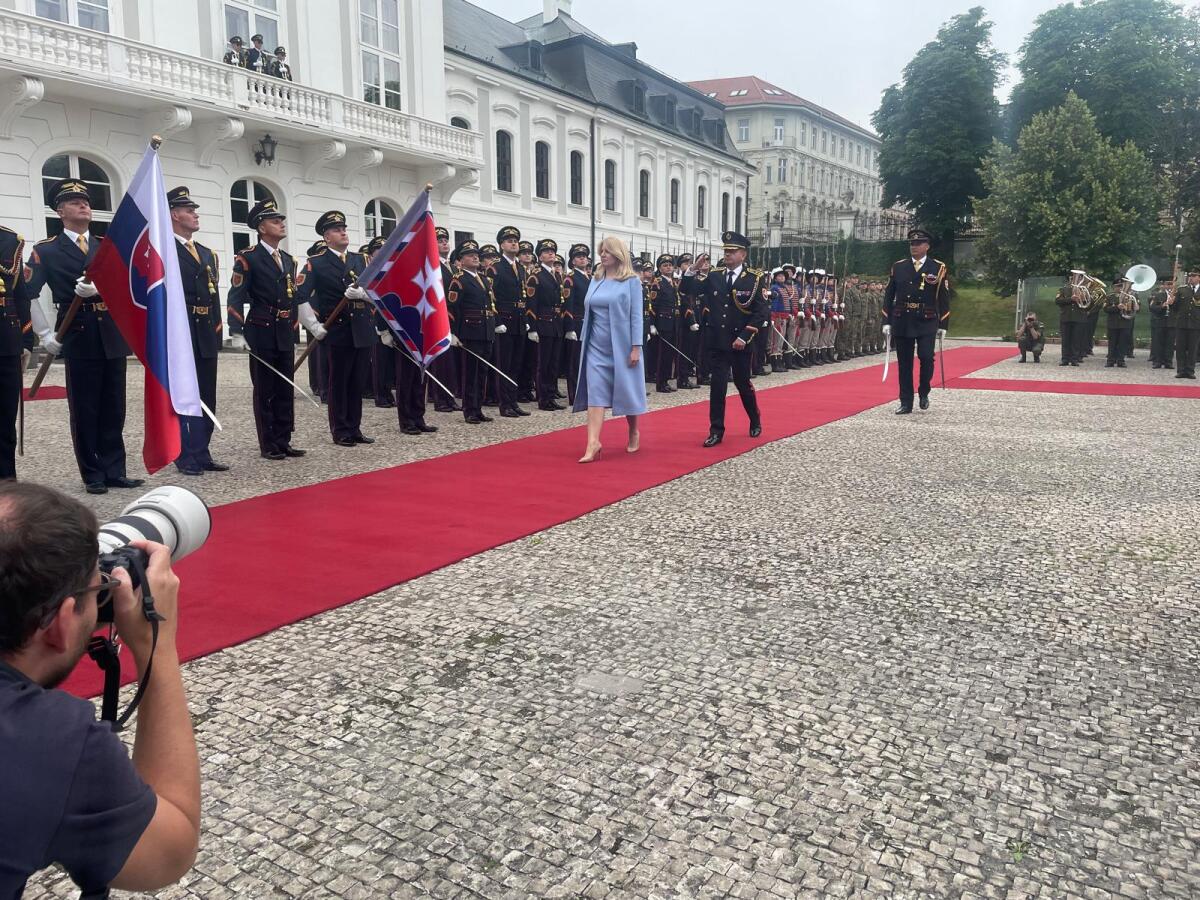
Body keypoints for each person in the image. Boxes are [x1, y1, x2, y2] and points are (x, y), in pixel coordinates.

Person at [0, 482, 200, 897]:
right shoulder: (46, 738)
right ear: (61, 622)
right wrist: (155, 645)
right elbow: (168, 853)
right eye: (97, 591)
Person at [25, 180, 143, 494]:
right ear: (60, 211)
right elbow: (29, 293)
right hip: (76, 332)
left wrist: (100, 288)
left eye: (86, 200)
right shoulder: (46, 250)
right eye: (74, 201)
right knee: (86, 407)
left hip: (110, 334)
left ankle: (115, 469)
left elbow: (124, 287)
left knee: (114, 406)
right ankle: (92, 472)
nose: (84, 205)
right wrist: (44, 333)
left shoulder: (106, 247)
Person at [227, 199, 321, 460]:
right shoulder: (248, 258)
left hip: (283, 329)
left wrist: (299, 327)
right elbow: (236, 295)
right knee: (265, 389)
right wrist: (236, 330)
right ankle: (268, 442)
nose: (281, 224)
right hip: (261, 328)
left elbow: (292, 297)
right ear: (261, 227)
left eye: (281, 220)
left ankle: (284, 439)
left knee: (284, 387)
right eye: (274, 221)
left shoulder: (289, 260)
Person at [295, 211, 374, 446]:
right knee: (339, 382)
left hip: (362, 329)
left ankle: (354, 427)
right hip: (337, 331)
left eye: (344, 228)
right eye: (337, 230)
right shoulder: (316, 263)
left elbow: (379, 290)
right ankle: (340, 430)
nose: (343, 232)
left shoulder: (362, 260)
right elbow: (299, 295)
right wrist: (313, 325)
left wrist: (364, 295)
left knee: (357, 382)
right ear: (327, 237)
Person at [681, 231, 767, 447]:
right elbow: (687, 289)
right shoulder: (715, 275)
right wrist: (692, 270)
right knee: (717, 386)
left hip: (740, 341)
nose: (728, 255)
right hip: (718, 340)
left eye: (732, 251)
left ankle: (754, 418)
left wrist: (745, 336)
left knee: (742, 383)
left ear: (743, 255)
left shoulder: (755, 278)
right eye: (726, 251)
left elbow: (761, 312)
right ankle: (716, 430)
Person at [167, 187, 228, 476]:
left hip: (204, 331)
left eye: (194, 210)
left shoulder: (206, 253)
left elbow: (213, 297)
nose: (195, 214)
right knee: (184, 396)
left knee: (206, 395)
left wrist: (218, 333)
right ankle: (184, 454)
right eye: (189, 210)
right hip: (179, 332)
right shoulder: (163, 249)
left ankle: (202, 451)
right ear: (173, 214)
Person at [572, 236, 646, 462]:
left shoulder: (631, 281)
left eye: (607, 251)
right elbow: (590, 311)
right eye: (601, 251)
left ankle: (633, 430)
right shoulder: (596, 278)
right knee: (596, 392)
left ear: (618, 254)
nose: (603, 255)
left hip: (622, 345)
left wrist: (636, 347)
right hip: (595, 345)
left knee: (627, 390)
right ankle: (593, 443)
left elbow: (636, 316)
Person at [882, 228, 950, 413]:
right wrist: (886, 321)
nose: (914, 246)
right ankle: (905, 401)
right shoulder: (899, 266)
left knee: (926, 357)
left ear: (927, 246)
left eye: (918, 243)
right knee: (904, 363)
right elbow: (889, 295)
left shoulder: (938, 267)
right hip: (902, 319)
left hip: (926, 319)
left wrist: (943, 324)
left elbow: (943, 297)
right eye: (912, 243)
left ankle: (924, 391)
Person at [445, 240, 497, 425]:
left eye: (476, 255)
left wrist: (494, 325)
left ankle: (478, 408)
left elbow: (490, 305)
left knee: (482, 372)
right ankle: (469, 410)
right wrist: (453, 332)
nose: (475, 257)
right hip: (469, 331)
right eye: (470, 255)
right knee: (470, 373)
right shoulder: (459, 279)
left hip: (485, 331)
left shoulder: (484, 279)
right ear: (460, 260)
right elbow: (451, 308)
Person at [0, 226, 30, 481]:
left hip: (6, 339)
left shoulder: (10, 240)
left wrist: (26, 338)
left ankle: (6, 480)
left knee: (5, 415)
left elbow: (21, 297)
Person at [489, 227, 528, 418]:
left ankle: (513, 401)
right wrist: (496, 321)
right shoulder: (495, 267)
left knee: (516, 364)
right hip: (504, 321)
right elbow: (490, 297)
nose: (513, 243)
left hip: (519, 321)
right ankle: (504, 404)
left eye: (515, 240)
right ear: (501, 245)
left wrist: (526, 320)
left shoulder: (520, 268)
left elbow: (523, 296)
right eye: (509, 240)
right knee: (504, 364)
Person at [527, 238, 565, 411]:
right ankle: (543, 399)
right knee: (544, 363)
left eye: (552, 251)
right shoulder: (536, 276)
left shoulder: (556, 275)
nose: (551, 253)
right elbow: (531, 303)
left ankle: (551, 395)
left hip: (556, 323)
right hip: (543, 322)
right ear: (540, 256)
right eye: (546, 252)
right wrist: (533, 327)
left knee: (554, 363)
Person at [562, 243, 590, 407]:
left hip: (588, 323)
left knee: (586, 361)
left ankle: (585, 393)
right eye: (578, 257)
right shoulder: (570, 279)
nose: (582, 259)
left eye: (584, 256)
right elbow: (568, 305)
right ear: (573, 261)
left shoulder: (589, 278)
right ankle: (574, 395)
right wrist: (570, 327)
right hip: (577, 324)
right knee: (574, 362)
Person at [650, 254, 679, 393]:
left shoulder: (673, 282)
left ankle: (666, 380)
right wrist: (652, 324)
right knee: (663, 354)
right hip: (662, 322)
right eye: (665, 265)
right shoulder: (657, 283)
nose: (668, 267)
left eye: (670, 265)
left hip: (673, 322)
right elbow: (652, 305)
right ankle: (660, 383)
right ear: (660, 268)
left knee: (670, 353)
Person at [1172, 268, 1200, 379]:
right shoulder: (1182, 290)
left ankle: (1190, 371)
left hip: (1195, 324)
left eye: (1194, 276)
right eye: (1190, 276)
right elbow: (1175, 307)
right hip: (1182, 323)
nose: (1191, 278)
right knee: (1180, 348)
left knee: (1193, 349)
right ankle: (1181, 370)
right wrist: (1171, 303)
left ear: (1199, 277)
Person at [1104, 278, 1137, 368]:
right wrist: (1117, 307)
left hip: (1125, 323)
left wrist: (1128, 308)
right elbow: (1106, 309)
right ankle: (1110, 360)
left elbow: (1136, 309)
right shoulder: (1110, 297)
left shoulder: (1130, 297)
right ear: (1114, 287)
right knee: (1112, 343)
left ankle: (1121, 360)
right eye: (1118, 286)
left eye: (1122, 286)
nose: (1120, 288)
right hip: (1113, 323)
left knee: (1123, 343)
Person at [1148, 277, 1175, 370]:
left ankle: (1168, 362)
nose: (1170, 286)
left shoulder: (1177, 295)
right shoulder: (1159, 295)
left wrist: (1174, 303)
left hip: (1172, 322)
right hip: (1160, 321)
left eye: (1171, 284)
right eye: (1168, 284)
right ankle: (1158, 361)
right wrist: (1162, 306)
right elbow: (1152, 308)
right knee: (1159, 342)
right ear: (1165, 285)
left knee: (1170, 343)